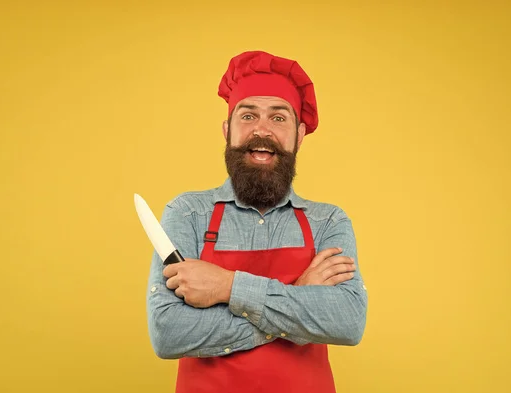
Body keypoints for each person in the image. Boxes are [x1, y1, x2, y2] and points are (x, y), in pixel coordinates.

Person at [146, 50, 368, 393]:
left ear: (300, 134)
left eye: (279, 118)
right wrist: (297, 298)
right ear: (227, 130)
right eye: (247, 116)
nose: (261, 129)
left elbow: (347, 321)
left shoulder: (327, 221)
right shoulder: (188, 214)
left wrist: (227, 287)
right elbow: (169, 333)